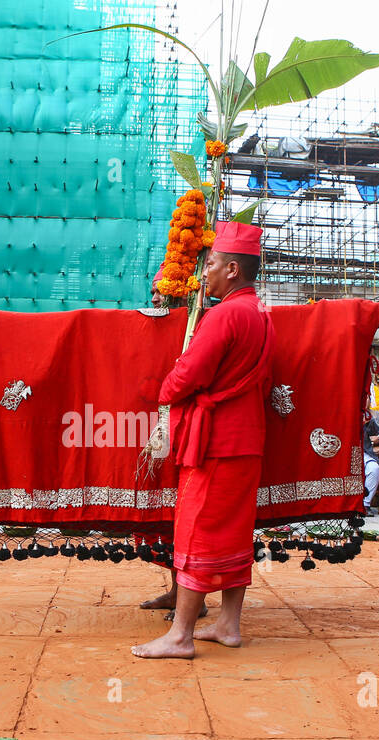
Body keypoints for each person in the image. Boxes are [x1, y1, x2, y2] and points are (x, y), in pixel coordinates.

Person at [131, 221, 272, 659]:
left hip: (217, 439)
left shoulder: (226, 314)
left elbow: (188, 376)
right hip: (245, 437)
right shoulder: (259, 312)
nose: (203, 273)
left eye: (209, 265)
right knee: (232, 531)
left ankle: (181, 635)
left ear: (232, 269)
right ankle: (228, 624)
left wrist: (166, 386)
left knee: (197, 531)